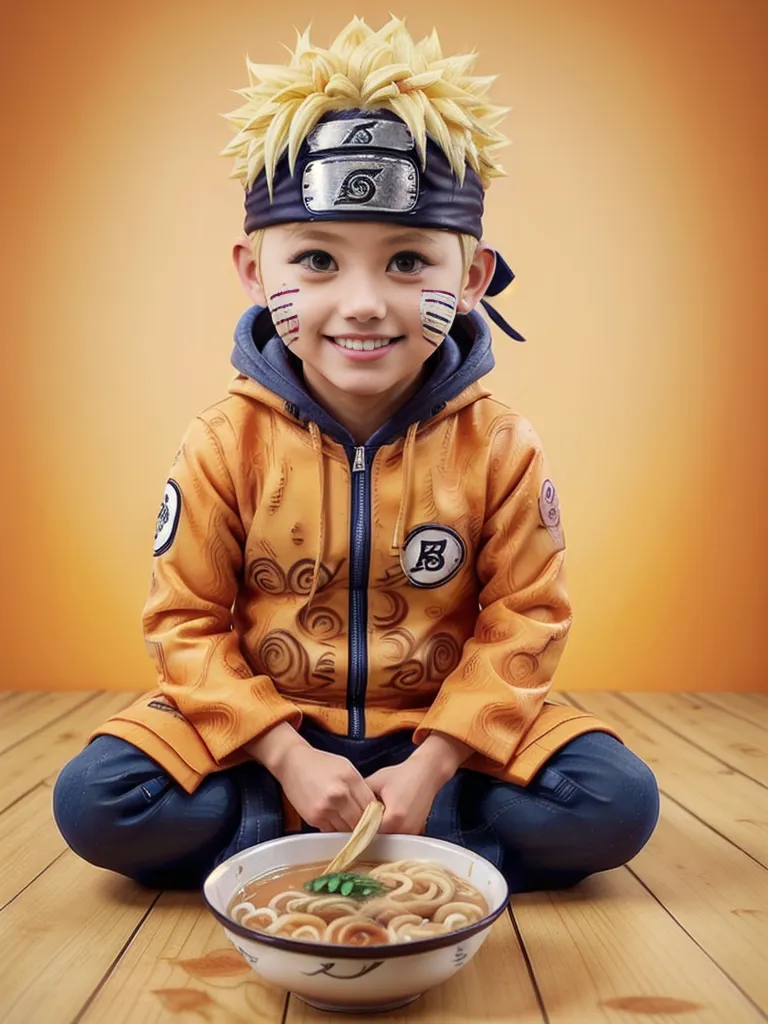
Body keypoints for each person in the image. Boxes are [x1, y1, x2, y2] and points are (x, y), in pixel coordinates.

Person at [53, 17, 659, 891]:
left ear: (475, 275)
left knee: (615, 800)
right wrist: (286, 754)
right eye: (317, 260)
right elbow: (184, 623)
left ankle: (382, 820)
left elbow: (526, 619)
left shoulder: (500, 445)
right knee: (98, 799)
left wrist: (435, 761)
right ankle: (332, 820)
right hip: (267, 735)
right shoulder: (225, 440)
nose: (365, 303)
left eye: (409, 260)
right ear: (255, 273)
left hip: (441, 736)